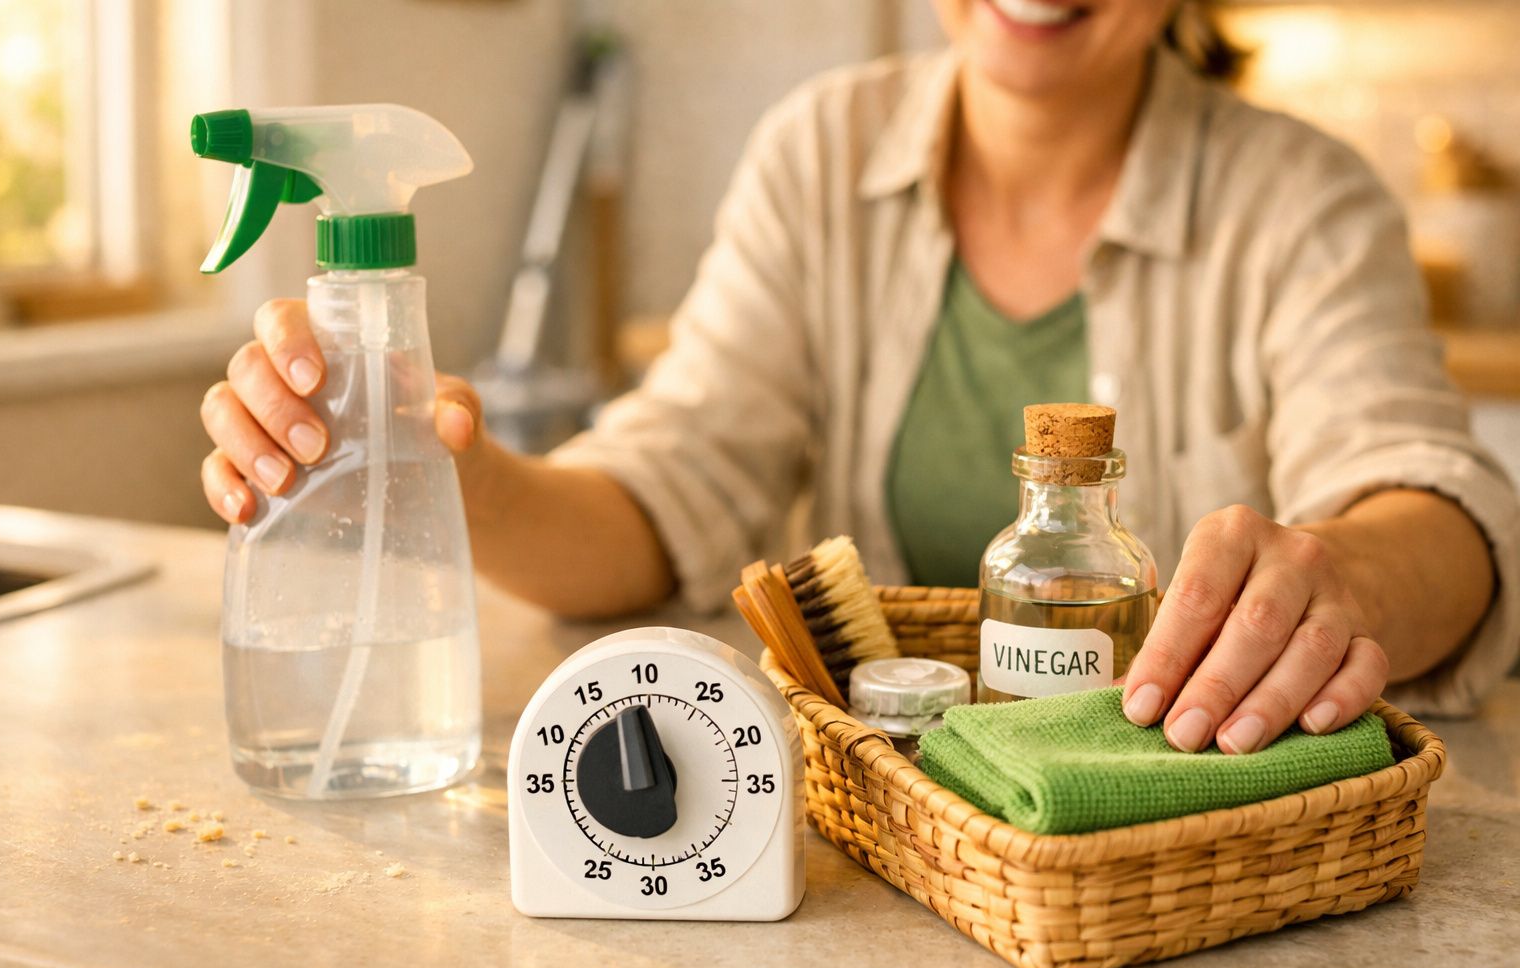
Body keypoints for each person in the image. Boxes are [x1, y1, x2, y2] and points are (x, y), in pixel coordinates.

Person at [198, 0, 1519, 758]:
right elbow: (662, 494)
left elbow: (1436, 504)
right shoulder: (815, 155)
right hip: (892, 854)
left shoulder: (1306, 199)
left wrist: (1352, 575)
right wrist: (446, 461)